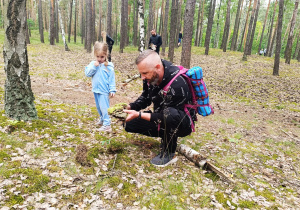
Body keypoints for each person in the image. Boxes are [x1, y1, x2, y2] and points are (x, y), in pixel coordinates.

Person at [124, 50, 196, 167]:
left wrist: (140, 115)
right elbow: (146, 97)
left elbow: (168, 116)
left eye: (145, 73)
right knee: (129, 123)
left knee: (170, 115)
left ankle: (169, 152)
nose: (142, 77)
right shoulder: (150, 77)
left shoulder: (178, 83)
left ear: (157, 67)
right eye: (141, 73)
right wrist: (131, 107)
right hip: (161, 117)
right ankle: (163, 134)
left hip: (180, 124)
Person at [85, 41, 116, 132]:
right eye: (97, 56)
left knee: (104, 107)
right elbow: (87, 74)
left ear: (106, 55)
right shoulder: (93, 64)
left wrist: (112, 90)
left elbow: (111, 79)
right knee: (98, 107)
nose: (99, 59)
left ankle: (107, 125)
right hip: (96, 90)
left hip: (104, 91)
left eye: (102, 57)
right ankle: (102, 119)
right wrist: (94, 67)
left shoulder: (109, 66)